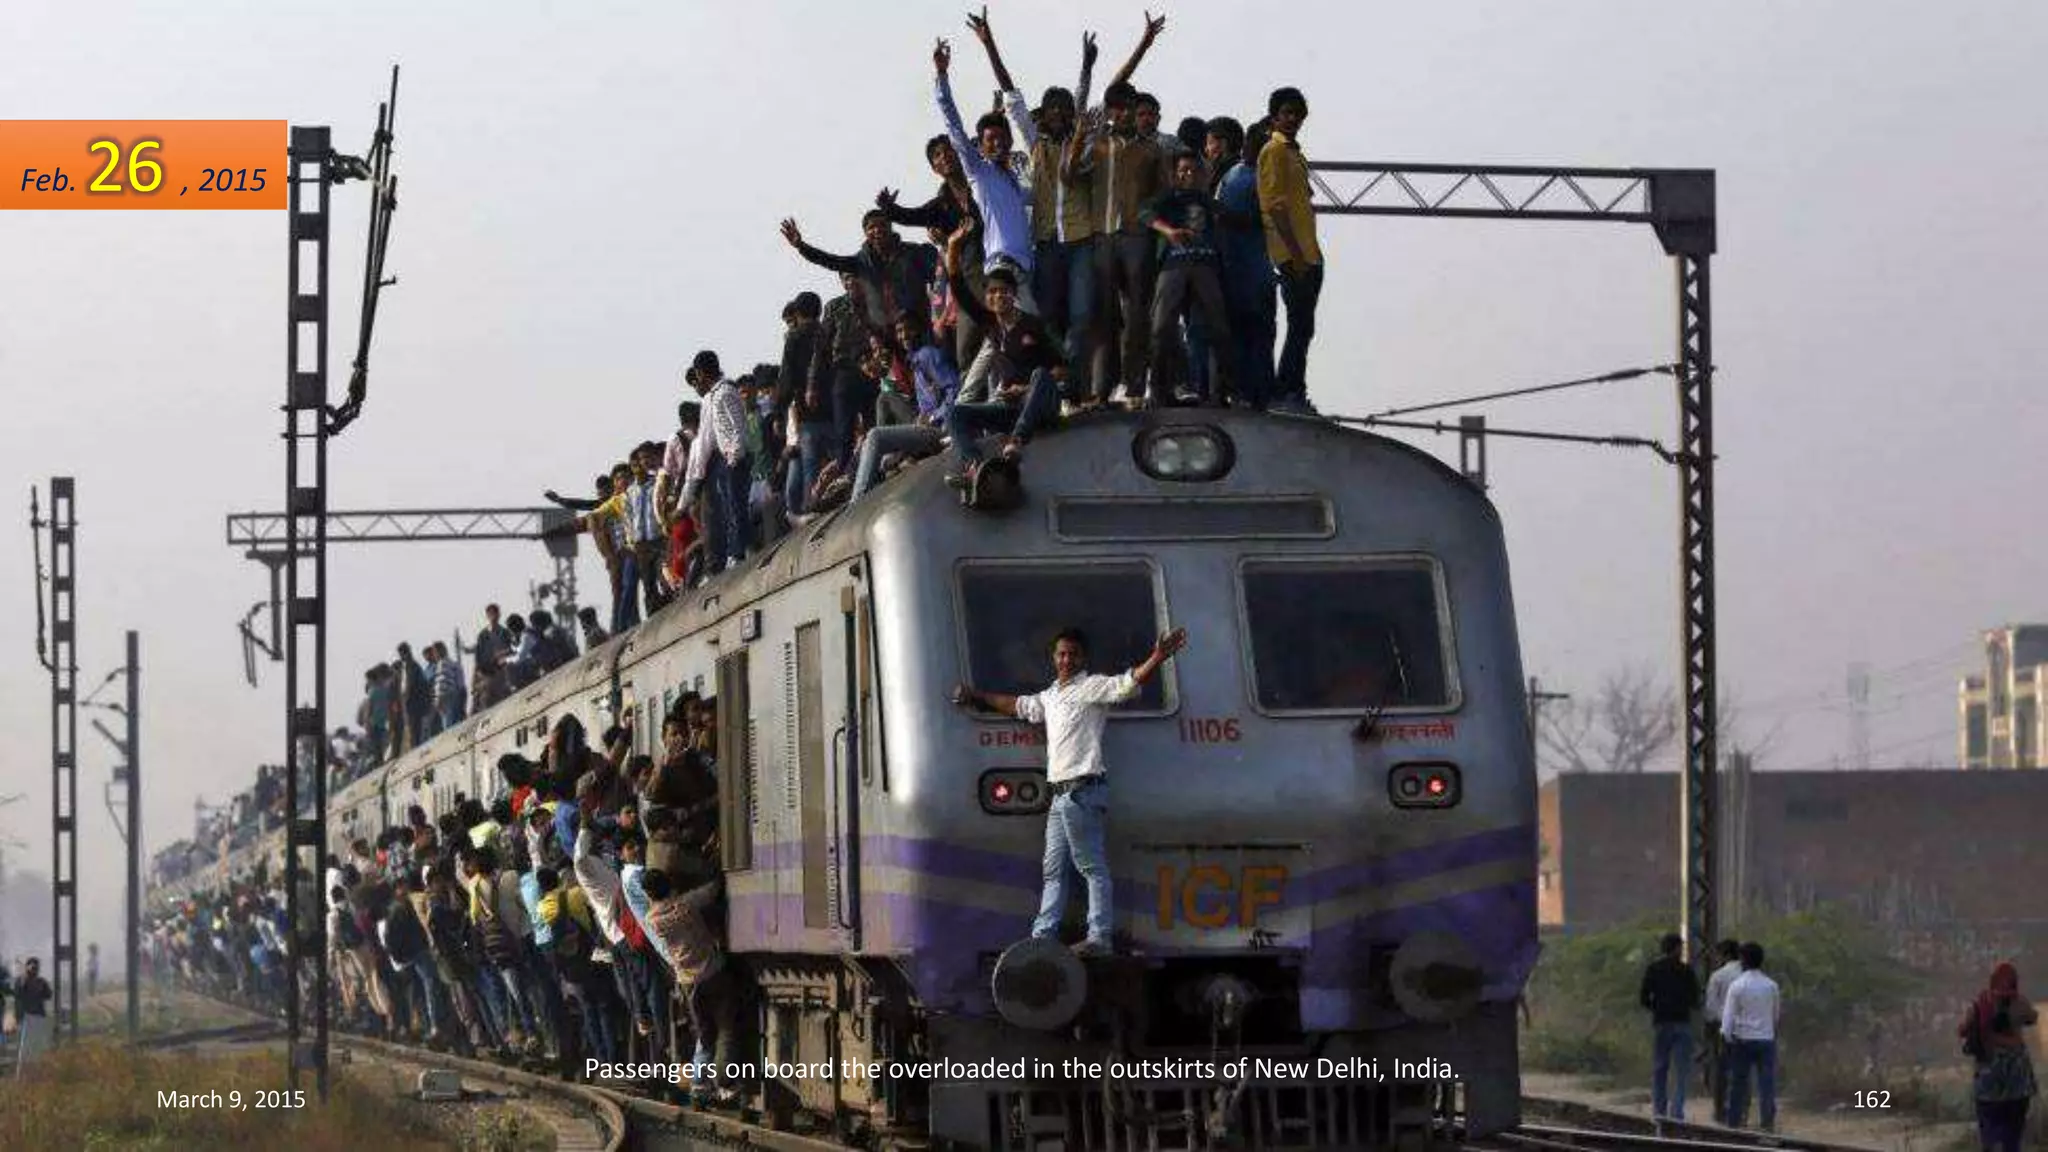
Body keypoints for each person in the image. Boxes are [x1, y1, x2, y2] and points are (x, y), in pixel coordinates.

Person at [951, 625, 1187, 956]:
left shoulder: (1090, 687)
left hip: (1083, 791)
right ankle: (1042, 937)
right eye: (1061, 653)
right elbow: (1019, 706)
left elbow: (1126, 684)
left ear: (1082, 658)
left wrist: (1157, 657)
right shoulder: (1050, 697)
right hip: (1060, 796)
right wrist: (978, 696)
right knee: (1053, 870)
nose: (1066, 659)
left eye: (1073, 654)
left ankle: (1099, 937)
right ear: (1053, 658)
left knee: (1091, 867)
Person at [939, 217, 1066, 479]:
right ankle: (974, 467)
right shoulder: (991, 326)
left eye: (1004, 292)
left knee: (1040, 374)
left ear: (1014, 295)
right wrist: (953, 248)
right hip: (1011, 408)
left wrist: (1027, 389)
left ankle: (1016, 442)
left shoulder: (1034, 325)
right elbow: (959, 288)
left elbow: (1064, 371)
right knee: (955, 413)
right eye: (993, 292)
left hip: (1042, 406)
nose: (998, 297)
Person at [1065, 86, 1168, 407]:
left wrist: (1147, 217)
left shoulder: (1151, 149)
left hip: (1137, 237)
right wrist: (1080, 135)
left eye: (1128, 108)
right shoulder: (1096, 145)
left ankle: (1134, 385)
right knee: (1103, 316)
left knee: (1138, 314)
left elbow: (1164, 192)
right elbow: (1068, 176)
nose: (1122, 113)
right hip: (1103, 237)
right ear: (1108, 111)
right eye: (1117, 108)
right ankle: (1101, 388)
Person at [1142, 150, 1237, 407]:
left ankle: (1220, 393)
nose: (1188, 175)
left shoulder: (1207, 201)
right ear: (1175, 173)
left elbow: (1230, 217)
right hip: (1173, 265)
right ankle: (1160, 391)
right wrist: (1169, 232)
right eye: (1183, 170)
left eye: (1194, 170)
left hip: (1206, 265)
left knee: (1218, 327)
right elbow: (1145, 215)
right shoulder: (1168, 197)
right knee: (1161, 328)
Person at [1258, 86, 1323, 414]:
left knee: (1304, 326)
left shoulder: (1295, 153)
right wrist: (1295, 254)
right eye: (1287, 113)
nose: (1293, 119)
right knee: (1299, 325)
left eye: (1297, 114)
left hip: (1309, 252)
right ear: (1274, 116)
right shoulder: (1274, 150)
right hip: (1293, 253)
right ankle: (1287, 391)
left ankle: (1293, 388)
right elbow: (1274, 206)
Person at [676, 352, 752, 575]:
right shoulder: (712, 396)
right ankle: (738, 550)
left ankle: (739, 553)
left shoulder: (726, 392)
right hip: (724, 457)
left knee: (736, 507)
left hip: (733, 457)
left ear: (701, 372)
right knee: (731, 507)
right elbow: (710, 436)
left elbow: (738, 425)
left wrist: (734, 456)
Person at [1961, 962, 2038, 1152]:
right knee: (2012, 1138)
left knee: (1989, 1134)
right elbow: (2032, 1017)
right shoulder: (2019, 1004)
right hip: (2017, 1081)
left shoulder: (1981, 1004)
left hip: (1988, 1081)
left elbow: (1962, 1030)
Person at [1639, 932, 1700, 1122]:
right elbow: (1695, 999)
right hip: (1682, 1023)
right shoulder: (1686, 970)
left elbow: (1643, 997)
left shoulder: (1653, 969)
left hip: (1661, 1023)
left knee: (1660, 1068)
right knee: (1681, 1070)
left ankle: (1659, 1111)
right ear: (1676, 948)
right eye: (1680, 947)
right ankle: (1677, 1112)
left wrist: (1656, 1008)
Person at [1721, 942, 1781, 1131]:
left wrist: (1727, 1036)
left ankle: (1734, 1122)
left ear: (1742, 960)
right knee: (1767, 1084)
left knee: (1738, 1083)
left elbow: (1728, 1017)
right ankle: (1767, 1122)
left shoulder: (1737, 985)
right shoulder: (1771, 985)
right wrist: (1770, 1031)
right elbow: (1775, 1014)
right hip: (1766, 1039)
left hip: (1742, 1040)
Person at [1701, 938, 1743, 1123]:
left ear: (1723, 955)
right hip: (1746, 1027)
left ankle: (1720, 1112)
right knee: (1742, 1071)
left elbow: (1711, 1007)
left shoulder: (1717, 976)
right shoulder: (1747, 973)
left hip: (1722, 1027)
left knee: (1722, 1071)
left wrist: (1710, 1028)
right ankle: (1740, 1111)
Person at [14, 957, 53, 1075]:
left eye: (36, 967)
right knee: (24, 1048)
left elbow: (48, 995)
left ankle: (36, 1073)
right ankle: (22, 1074)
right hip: (27, 1018)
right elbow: (18, 993)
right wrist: (24, 976)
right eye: (32, 966)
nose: (34, 969)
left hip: (39, 1017)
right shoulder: (22, 981)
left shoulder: (41, 982)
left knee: (37, 1047)